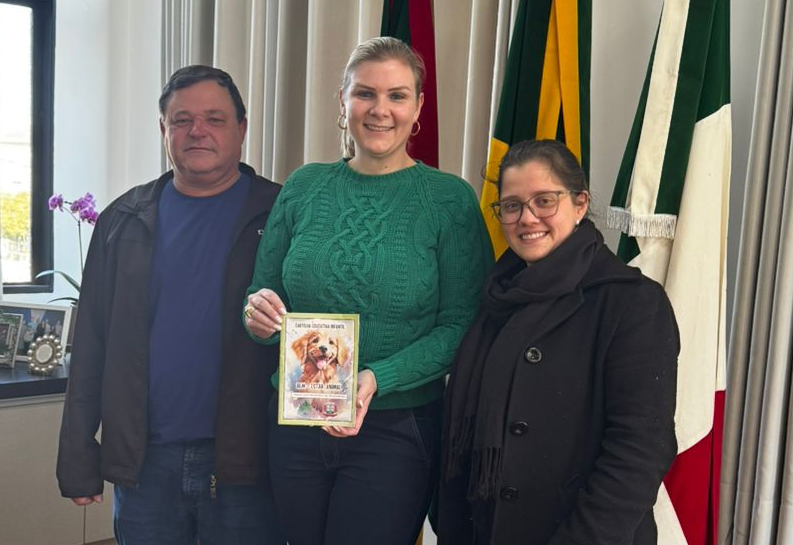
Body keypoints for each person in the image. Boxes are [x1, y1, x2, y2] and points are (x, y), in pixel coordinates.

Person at [243, 36, 493, 545]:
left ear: (418, 107)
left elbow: (463, 325)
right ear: (343, 101)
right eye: (365, 93)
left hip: (396, 429)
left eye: (397, 95)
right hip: (296, 422)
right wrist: (258, 317)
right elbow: (260, 295)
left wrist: (379, 377)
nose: (380, 110)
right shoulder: (303, 186)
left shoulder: (449, 201)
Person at [57, 65, 285, 545]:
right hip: (146, 462)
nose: (197, 131)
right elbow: (92, 343)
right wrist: (78, 456)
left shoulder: (283, 213)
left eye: (214, 119)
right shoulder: (122, 220)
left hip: (249, 460)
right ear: (163, 129)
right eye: (182, 120)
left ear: (242, 128)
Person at [437, 139, 680, 545]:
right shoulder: (495, 297)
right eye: (512, 205)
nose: (527, 218)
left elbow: (640, 449)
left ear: (580, 203)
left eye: (544, 201)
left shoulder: (632, 301)